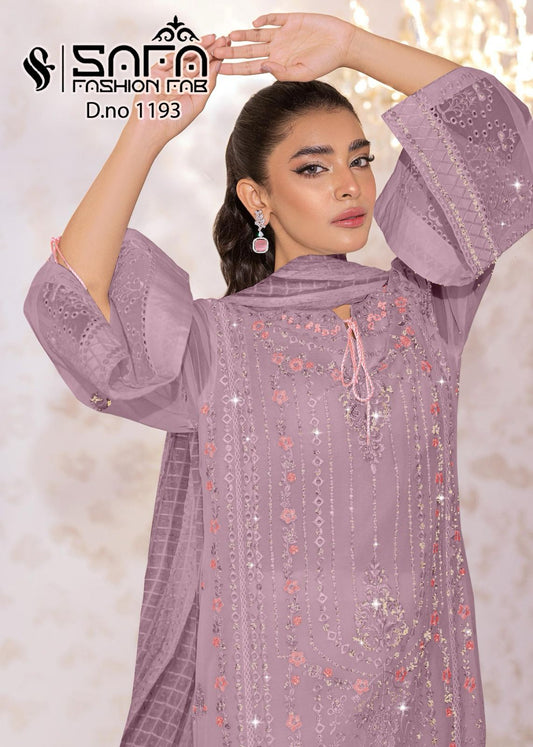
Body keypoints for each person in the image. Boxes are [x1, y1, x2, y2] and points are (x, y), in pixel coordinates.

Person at [23, 10, 532, 747]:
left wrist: (354, 46)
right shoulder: (216, 344)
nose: (350, 186)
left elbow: (497, 139)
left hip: (417, 705)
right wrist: (144, 132)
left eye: (360, 160)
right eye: (313, 168)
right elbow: (73, 302)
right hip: (264, 708)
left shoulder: (425, 310)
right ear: (256, 199)